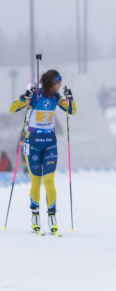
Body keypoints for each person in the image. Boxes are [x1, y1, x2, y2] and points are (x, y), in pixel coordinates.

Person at [9, 70, 76, 235]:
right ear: (52, 82)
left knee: (49, 182)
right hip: (33, 145)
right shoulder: (35, 95)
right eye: (58, 82)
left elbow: (72, 111)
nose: (61, 84)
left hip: (50, 145)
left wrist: (70, 98)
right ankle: (35, 218)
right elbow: (12, 109)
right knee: (36, 183)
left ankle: (52, 219)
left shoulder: (56, 97)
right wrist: (24, 97)